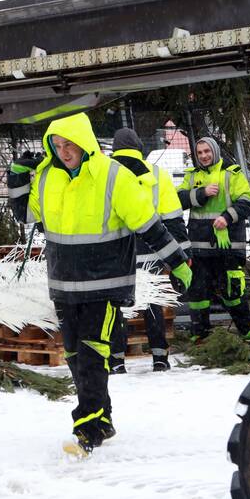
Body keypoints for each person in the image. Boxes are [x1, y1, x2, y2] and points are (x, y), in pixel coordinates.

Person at [8, 112, 192, 452]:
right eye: (57, 145)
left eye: (70, 145)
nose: (64, 152)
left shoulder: (113, 177)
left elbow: (147, 224)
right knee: (77, 354)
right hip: (64, 284)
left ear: (85, 143)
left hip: (105, 284)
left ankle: (87, 427)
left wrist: (177, 261)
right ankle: (103, 420)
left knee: (93, 352)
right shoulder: (48, 178)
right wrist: (17, 178)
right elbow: (26, 215)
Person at [107, 128, 190, 373]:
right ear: (139, 147)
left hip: (117, 254)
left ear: (114, 149)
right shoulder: (157, 175)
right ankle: (160, 358)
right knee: (152, 305)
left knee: (119, 307)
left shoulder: (106, 175)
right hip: (153, 250)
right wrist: (182, 259)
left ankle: (117, 361)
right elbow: (174, 219)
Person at [177, 136, 250, 342]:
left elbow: (248, 201)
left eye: (207, 151)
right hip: (199, 247)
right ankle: (201, 338)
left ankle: (249, 334)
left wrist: (227, 217)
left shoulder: (232, 174)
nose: (203, 156)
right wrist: (202, 193)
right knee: (197, 295)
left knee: (232, 293)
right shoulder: (192, 176)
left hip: (227, 246)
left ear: (215, 151)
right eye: (200, 152)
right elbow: (178, 200)